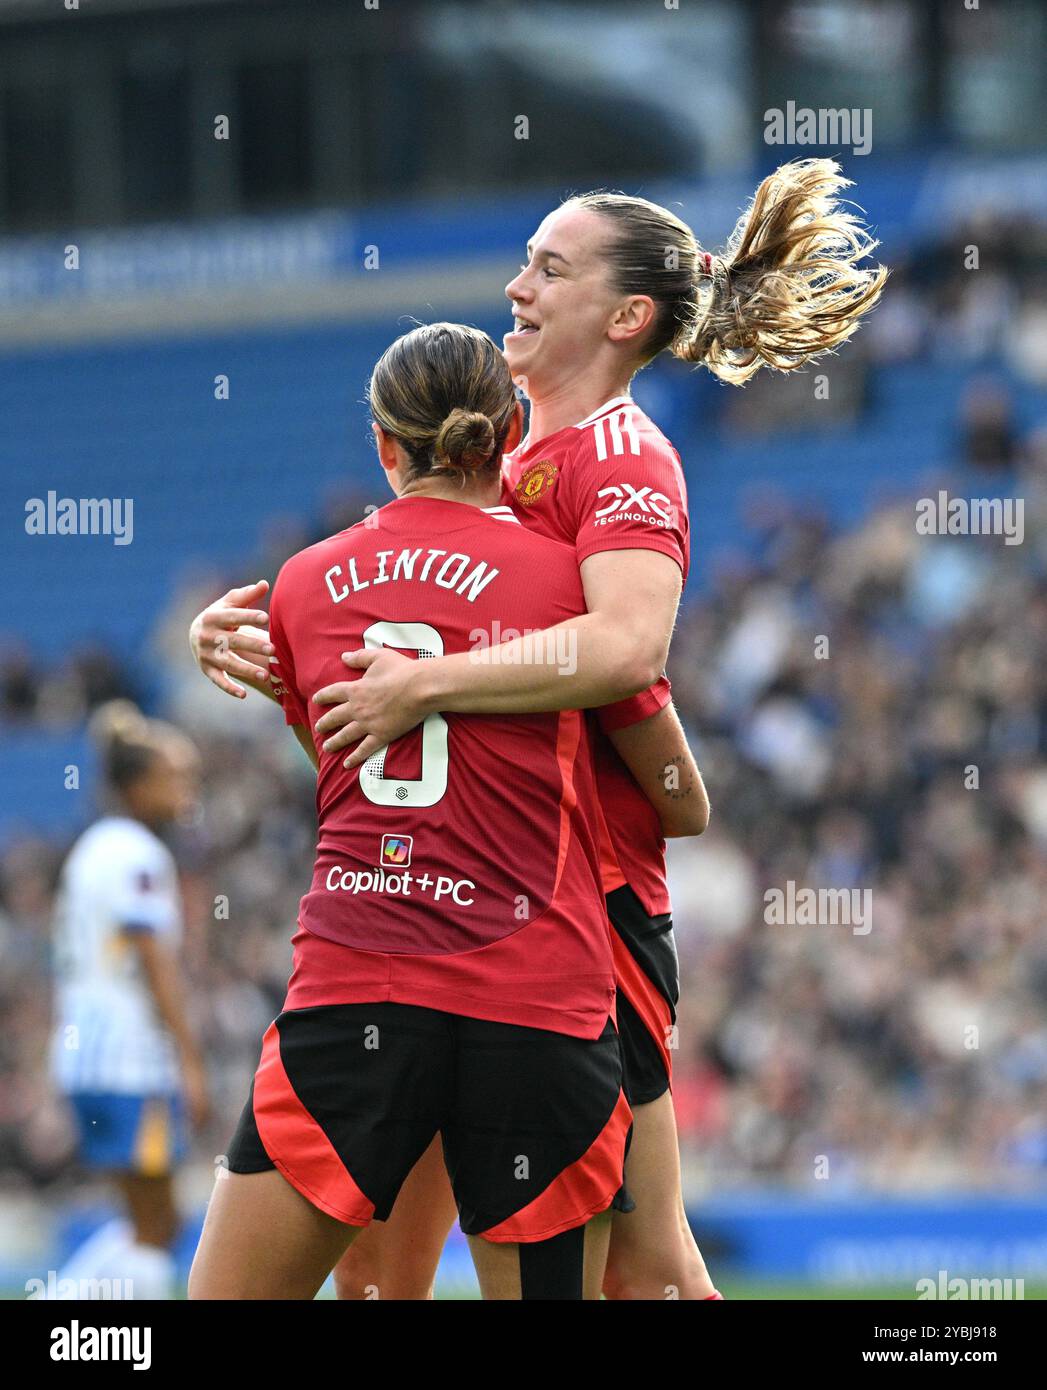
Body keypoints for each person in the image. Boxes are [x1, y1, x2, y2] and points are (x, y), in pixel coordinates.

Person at [190, 157, 885, 1298]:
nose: (516, 284)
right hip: (456, 904)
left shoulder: (621, 455)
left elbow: (624, 650)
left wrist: (425, 687)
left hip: (585, 909)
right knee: (377, 1266)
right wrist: (267, 650)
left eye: (548, 267)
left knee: (647, 1266)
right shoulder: (503, 465)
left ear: (625, 316)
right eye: (523, 260)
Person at [189, 322, 712, 1301]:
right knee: (648, 1271)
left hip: (360, 994)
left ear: (385, 448)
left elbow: (345, 766)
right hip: (536, 1006)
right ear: (510, 432)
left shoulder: (302, 585)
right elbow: (679, 799)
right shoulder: (573, 591)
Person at [49, 700, 206, 1300]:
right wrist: (189, 1060)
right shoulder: (136, 853)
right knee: (156, 1226)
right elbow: (155, 962)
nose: (187, 792)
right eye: (176, 778)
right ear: (138, 786)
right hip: (128, 1060)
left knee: (149, 1222)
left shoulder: (94, 848)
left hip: (87, 1055)